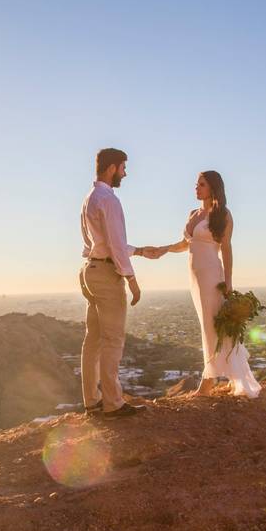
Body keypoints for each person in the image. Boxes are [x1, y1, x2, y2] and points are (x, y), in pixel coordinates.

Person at [161, 170, 261, 398]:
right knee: (208, 325)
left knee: (210, 326)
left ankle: (208, 383)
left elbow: (226, 249)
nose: (196, 188)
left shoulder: (223, 215)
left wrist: (228, 283)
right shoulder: (193, 214)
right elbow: (186, 243)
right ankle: (224, 375)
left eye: (201, 184)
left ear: (213, 188)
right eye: (196, 184)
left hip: (211, 276)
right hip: (194, 276)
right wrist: (164, 249)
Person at [79, 148, 163, 418]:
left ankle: (91, 401)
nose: (126, 173)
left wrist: (138, 250)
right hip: (106, 275)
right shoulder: (109, 200)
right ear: (112, 167)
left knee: (93, 339)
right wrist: (132, 280)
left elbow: (101, 243)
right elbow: (114, 245)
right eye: (123, 168)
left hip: (89, 271)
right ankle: (112, 403)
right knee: (112, 340)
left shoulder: (90, 198)